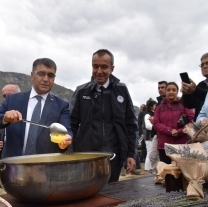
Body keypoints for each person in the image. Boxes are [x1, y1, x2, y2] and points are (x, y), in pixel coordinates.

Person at [70, 49, 137, 182]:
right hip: (86, 156)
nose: (99, 71)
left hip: (113, 155)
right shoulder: (81, 91)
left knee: (112, 193)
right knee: (87, 194)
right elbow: (71, 124)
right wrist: (71, 153)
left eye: (104, 67)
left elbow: (131, 124)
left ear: (112, 68)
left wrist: (131, 154)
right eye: (95, 66)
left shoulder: (121, 90)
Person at [0, 58, 72, 158]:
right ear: (32, 75)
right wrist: (4, 118)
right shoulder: (12, 100)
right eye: (41, 73)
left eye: (50, 75)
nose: (46, 79)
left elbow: (66, 131)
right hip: (13, 169)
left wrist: (66, 141)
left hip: (44, 170)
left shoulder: (62, 105)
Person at [153, 82, 194, 164]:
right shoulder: (159, 108)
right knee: (167, 172)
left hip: (181, 143)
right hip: (164, 145)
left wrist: (178, 132)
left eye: (174, 90)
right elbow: (156, 124)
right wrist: (170, 131)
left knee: (182, 171)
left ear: (177, 91)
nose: (171, 92)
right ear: (165, 92)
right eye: (168, 90)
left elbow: (191, 121)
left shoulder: (184, 105)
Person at [0, 84, 20, 154]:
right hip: (5, 160)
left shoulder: (26, 113)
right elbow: (3, 135)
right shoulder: (3, 114)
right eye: (4, 96)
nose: (7, 98)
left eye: (10, 95)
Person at [181, 53, 208, 120]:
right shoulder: (201, 85)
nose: (204, 66)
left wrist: (196, 91)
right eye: (202, 65)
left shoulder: (197, 89)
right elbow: (189, 105)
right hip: (202, 127)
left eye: (207, 63)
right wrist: (186, 93)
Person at [143, 99, 157, 173]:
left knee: (152, 153)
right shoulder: (148, 115)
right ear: (151, 106)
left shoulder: (155, 114)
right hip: (149, 136)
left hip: (153, 136)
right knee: (150, 153)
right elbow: (148, 126)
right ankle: (147, 169)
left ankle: (151, 168)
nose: (156, 106)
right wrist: (157, 126)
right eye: (155, 105)